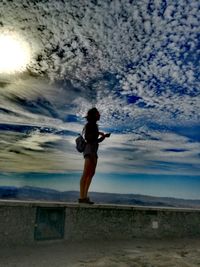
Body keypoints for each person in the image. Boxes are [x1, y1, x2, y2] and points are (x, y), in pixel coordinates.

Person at [79, 107, 110, 204]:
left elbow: (95, 141)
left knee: (91, 174)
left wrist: (103, 137)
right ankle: (82, 197)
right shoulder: (89, 125)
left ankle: (85, 196)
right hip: (89, 151)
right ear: (94, 115)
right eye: (98, 114)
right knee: (86, 173)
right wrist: (98, 133)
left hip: (93, 151)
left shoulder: (94, 126)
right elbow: (88, 138)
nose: (99, 115)